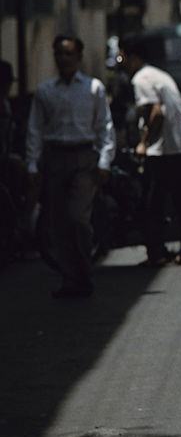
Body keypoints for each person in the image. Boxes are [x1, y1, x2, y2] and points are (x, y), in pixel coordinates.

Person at [25, 36, 115, 298]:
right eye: (59, 54)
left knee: (78, 219)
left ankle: (84, 272)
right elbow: (35, 129)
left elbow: (104, 127)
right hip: (55, 158)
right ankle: (70, 279)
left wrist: (105, 161)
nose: (64, 59)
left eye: (69, 54)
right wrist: (32, 164)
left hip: (83, 158)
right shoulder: (45, 91)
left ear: (78, 57)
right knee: (58, 223)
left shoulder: (93, 88)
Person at [120, 38, 181, 267]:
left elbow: (156, 112)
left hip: (165, 149)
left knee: (152, 202)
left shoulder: (142, 79)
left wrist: (144, 143)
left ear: (132, 57)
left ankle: (156, 252)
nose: (121, 63)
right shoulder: (158, 74)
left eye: (121, 57)